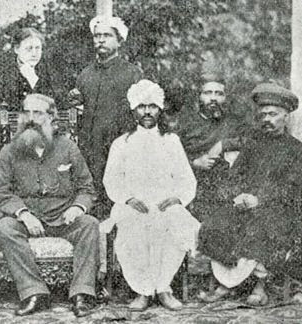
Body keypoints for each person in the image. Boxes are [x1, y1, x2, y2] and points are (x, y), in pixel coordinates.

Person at [197, 83, 302, 306]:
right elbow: (233, 177)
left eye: (273, 114)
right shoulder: (252, 144)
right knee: (215, 224)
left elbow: (294, 189)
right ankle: (227, 284)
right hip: (244, 205)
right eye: (263, 114)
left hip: (279, 209)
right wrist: (237, 196)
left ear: (286, 117)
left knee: (261, 225)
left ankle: (260, 286)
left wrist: (260, 200)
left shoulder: (299, 151)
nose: (267, 119)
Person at [0, 94, 99, 317]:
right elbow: (2, 193)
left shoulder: (68, 148)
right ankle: (34, 293)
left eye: (38, 113)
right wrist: (23, 214)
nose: (30, 119)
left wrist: (77, 208)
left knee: (89, 224)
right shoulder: (9, 152)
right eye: (26, 112)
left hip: (62, 217)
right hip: (27, 218)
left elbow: (87, 188)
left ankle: (81, 294)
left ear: (52, 118)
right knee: (4, 227)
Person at [100, 80, 199, 311]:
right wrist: (128, 199)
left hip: (165, 202)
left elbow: (186, 178)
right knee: (132, 228)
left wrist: (178, 199)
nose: (147, 112)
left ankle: (163, 287)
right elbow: (111, 179)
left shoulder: (171, 141)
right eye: (141, 106)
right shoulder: (121, 143)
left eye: (152, 106)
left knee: (175, 224)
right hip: (132, 203)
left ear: (160, 109)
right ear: (133, 110)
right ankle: (142, 290)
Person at [69, 15, 143, 218]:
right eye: (97, 36)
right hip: (90, 151)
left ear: (119, 41)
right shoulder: (85, 75)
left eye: (107, 36)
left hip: (120, 149)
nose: (100, 40)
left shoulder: (133, 74)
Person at [175, 72, 243, 221]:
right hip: (194, 190)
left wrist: (223, 144)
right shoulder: (186, 124)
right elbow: (171, 156)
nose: (213, 98)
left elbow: (252, 141)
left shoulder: (234, 122)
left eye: (219, 93)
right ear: (199, 96)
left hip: (225, 190)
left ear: (225, 98)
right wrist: (194, 162)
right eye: (208, 93)